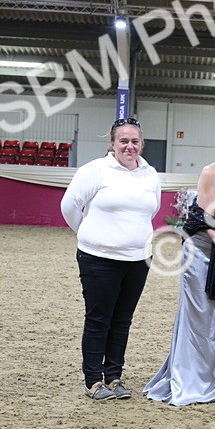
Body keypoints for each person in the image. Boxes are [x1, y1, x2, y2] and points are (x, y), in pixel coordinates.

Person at [145, 117, 215, 406]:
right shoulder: (210, 173)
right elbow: (200, 218)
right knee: (198, 317)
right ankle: (189, 381)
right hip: (203, 252)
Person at [61, 116, 161, 401]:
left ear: (142, 143)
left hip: (138, 259)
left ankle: (114, 376)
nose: (129, 146)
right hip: (99, 259)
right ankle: (93, 379)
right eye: (123, 141)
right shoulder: (95, 170)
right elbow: (70, 206)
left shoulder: (150, 174)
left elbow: (150, 210)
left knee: (122, 320)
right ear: (113, 143)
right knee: (98, 319)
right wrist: (88, 233)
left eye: (134, 141)